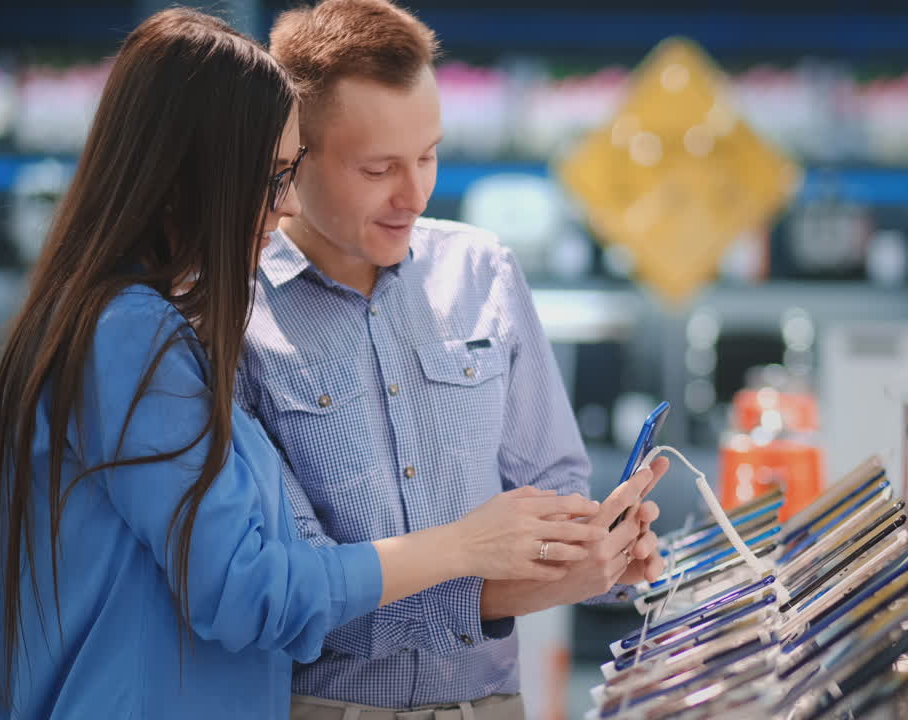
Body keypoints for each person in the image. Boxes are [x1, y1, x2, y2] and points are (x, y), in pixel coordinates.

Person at [0, 9, 609, 720]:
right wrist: (462, 547)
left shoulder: (135, 326)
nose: (287, 204)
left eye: (427, 156)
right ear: (195, 175)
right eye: (273, 177)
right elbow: (255, 592)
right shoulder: (139, 333)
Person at [235, 1, 669, 717]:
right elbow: (303, 598)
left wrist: (604, 552)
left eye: (429, 156)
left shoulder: (482, 270)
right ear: (292, 161)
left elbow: (555, 492)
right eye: (379, 168)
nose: (414, 195)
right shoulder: (237, 317)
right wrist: (505, 581)